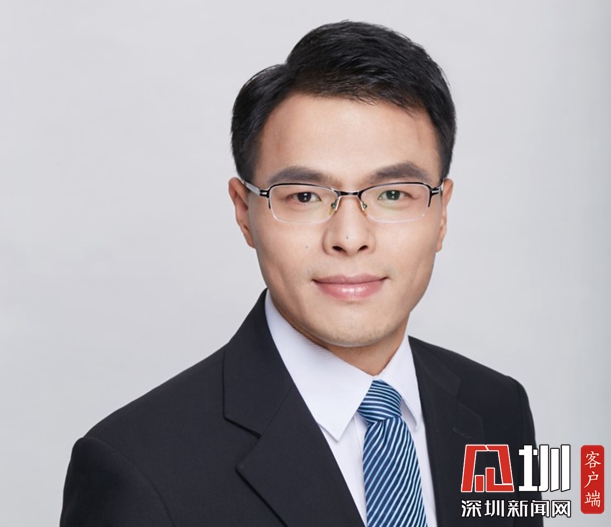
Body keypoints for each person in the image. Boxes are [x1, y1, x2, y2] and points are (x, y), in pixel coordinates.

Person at [60, 21, 541, 526]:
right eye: (306, 196)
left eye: (393, 194)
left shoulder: (498, 409)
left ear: (441, 214)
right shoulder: (138, 470)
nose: (350, 237)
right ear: (244, 212)